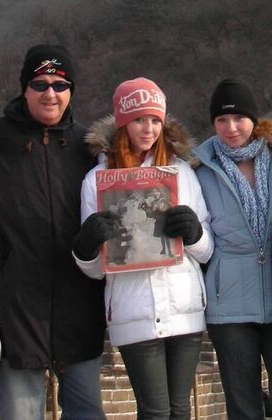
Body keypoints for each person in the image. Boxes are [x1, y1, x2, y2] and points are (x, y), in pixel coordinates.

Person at [75, 78, 213, 420]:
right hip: (132, 309)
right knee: (154, 411)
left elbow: (207, 250)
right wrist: (86, 246)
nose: (148, 128)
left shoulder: (181, 173)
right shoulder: (98, 180)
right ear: (123, 124)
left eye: (155, 120)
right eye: (138, 119)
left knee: (180, 410)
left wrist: (194, 233)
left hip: (184, 307)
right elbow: (94, 270)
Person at [0, 45, 107, 420]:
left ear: (71, 91)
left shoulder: (91, 147)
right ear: (24, 88)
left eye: (60, 84)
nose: (50, 93)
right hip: (18, 308)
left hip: (80, 307)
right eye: (40, 83)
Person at [193, 79, 272, 420]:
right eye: (221, 120)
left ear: (255, 119)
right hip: (228, 305)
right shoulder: (200, 172)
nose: (231, 128)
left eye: (239, 118)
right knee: (243, 404)